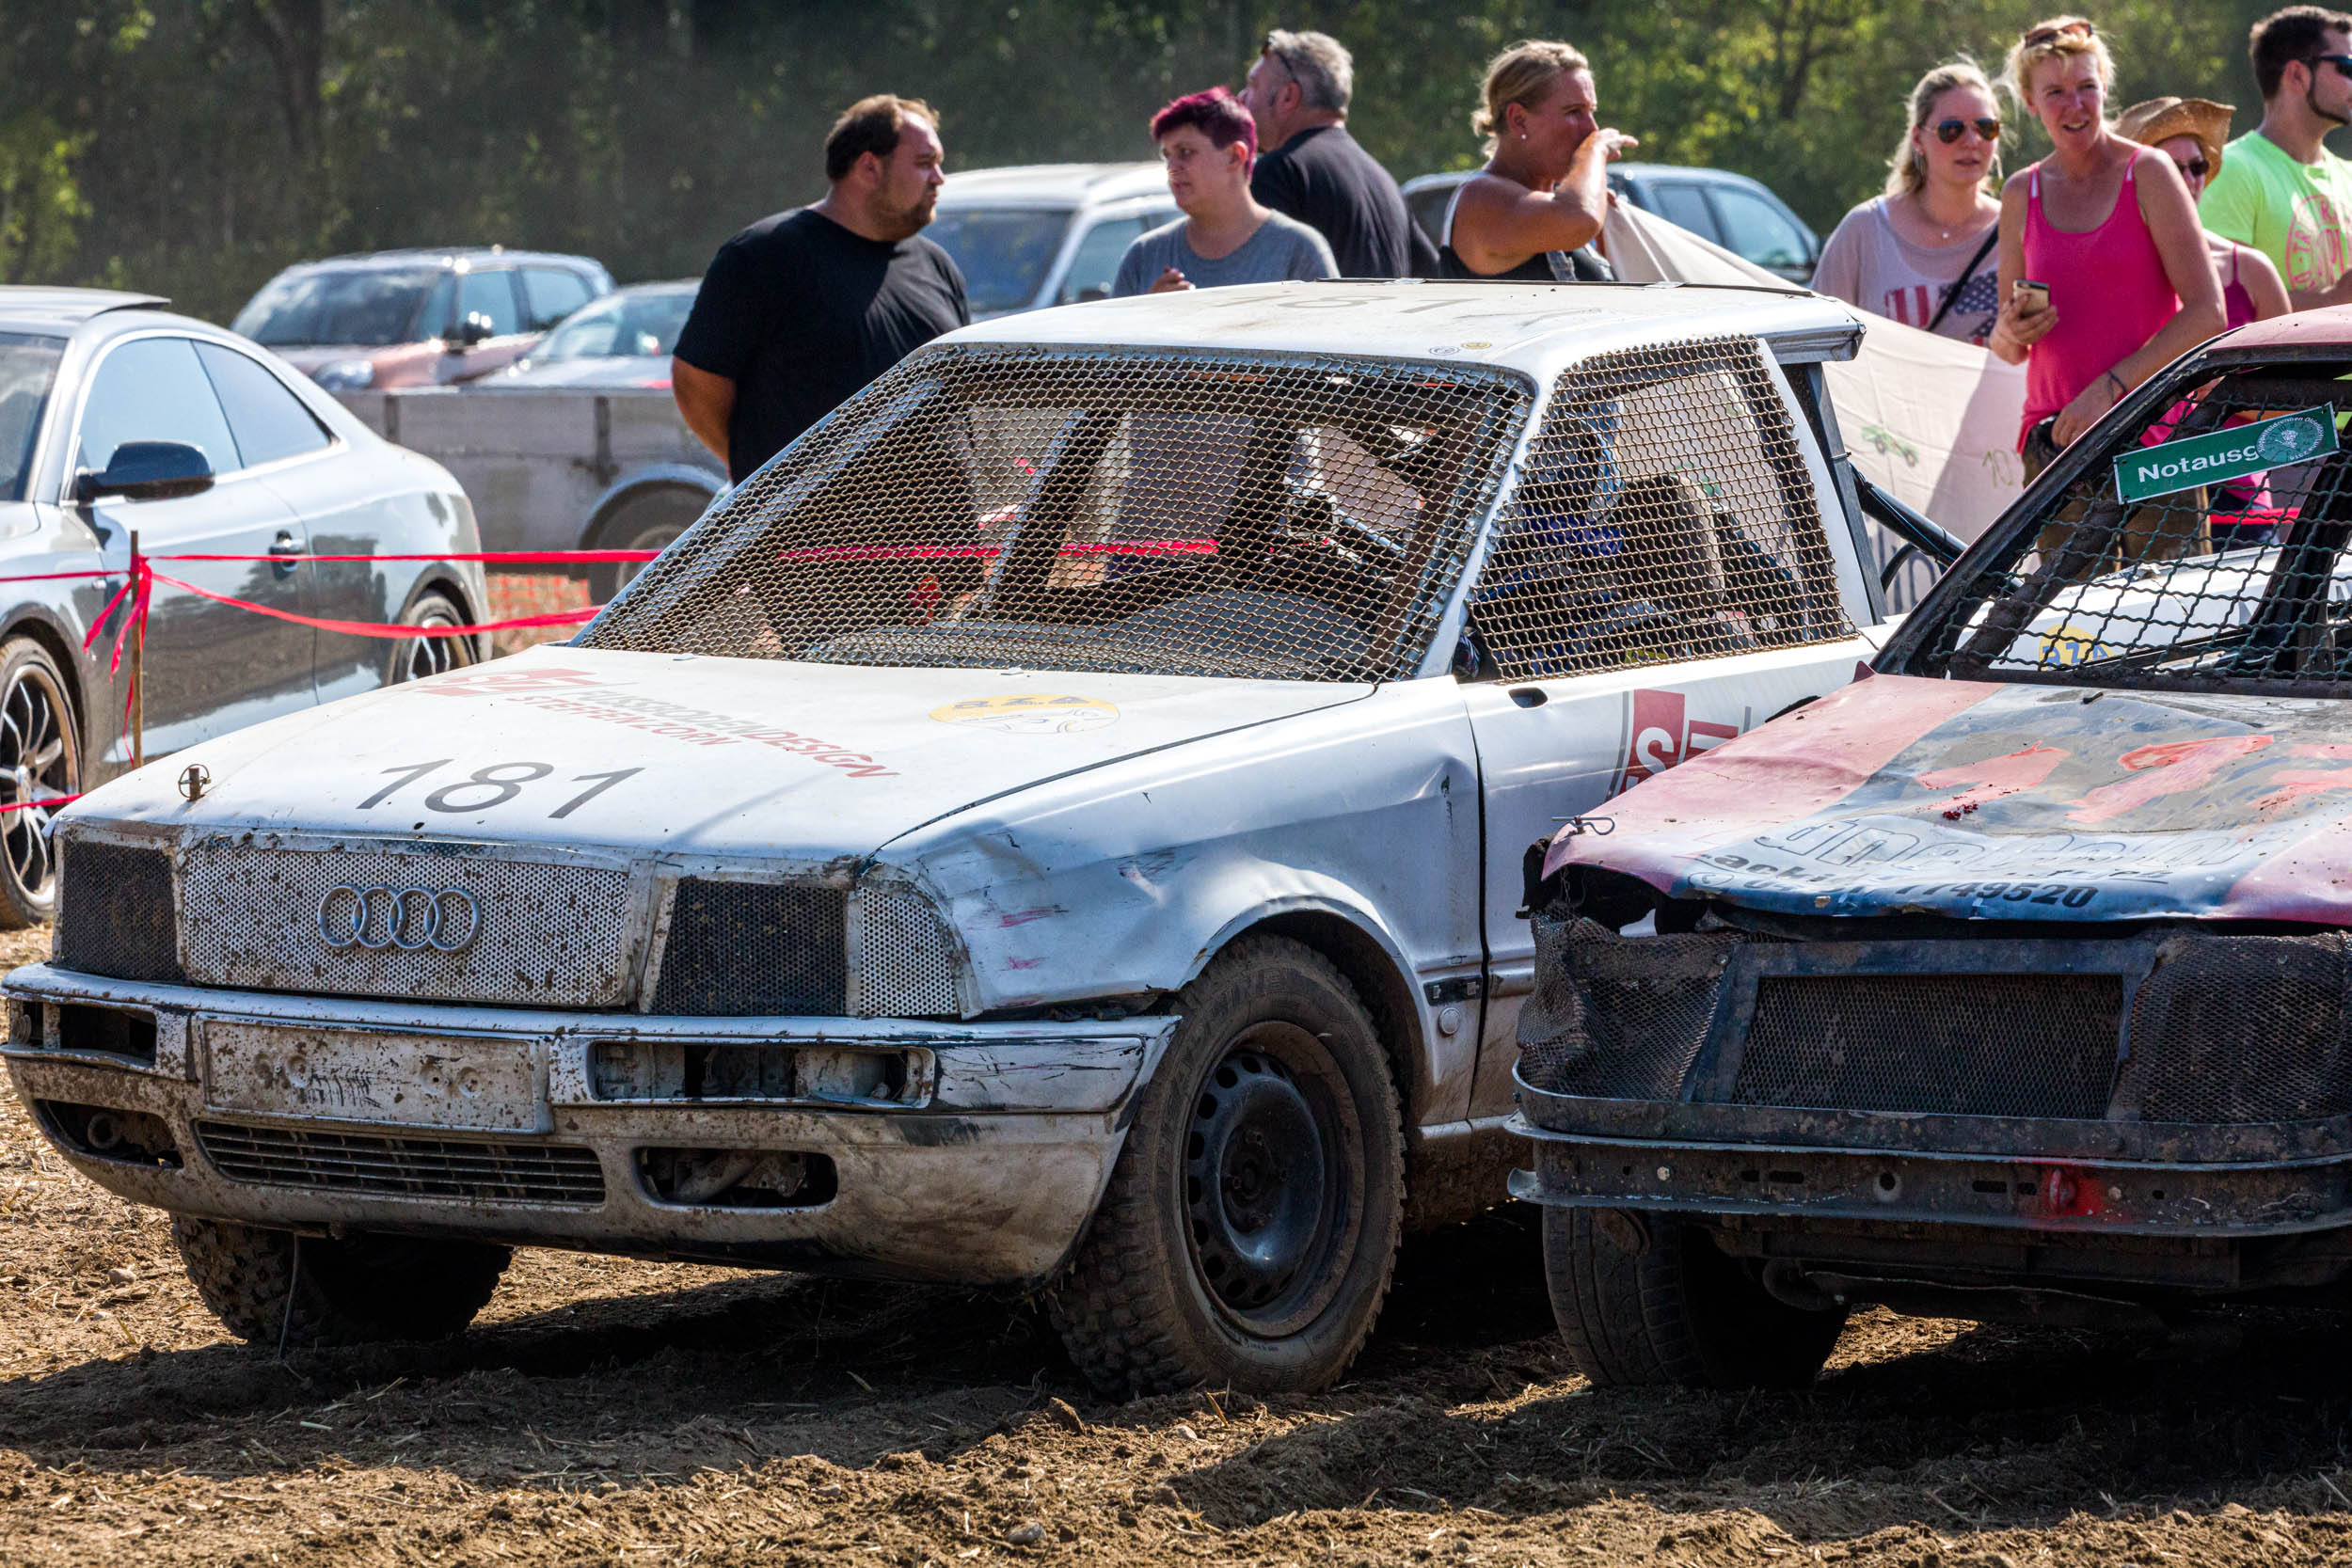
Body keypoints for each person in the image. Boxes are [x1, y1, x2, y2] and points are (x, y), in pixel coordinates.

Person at [672, 95, 968, 484]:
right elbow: (696, 380)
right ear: (869, 167)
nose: (939, 178)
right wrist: (764, 473)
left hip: (937, 520)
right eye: (924, 163)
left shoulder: (937, 266)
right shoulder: (766, 254)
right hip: (812, 522)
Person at [1989, 17, 2224, 466]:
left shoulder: (2149, 172)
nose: (2074, 105)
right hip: (2054, 439)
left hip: (2152, 436)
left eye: (2087, 87)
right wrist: (2007, 331)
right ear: (2030, 101)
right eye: (2055, 92)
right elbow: (2010, 348)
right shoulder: (2021, 191)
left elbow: (2208, 314)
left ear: (2105, 87)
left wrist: (2110, 390)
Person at [1812, 60, 2006, 342]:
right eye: (1952, 129)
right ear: (1918, 138)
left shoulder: (2017, 229)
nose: (1971, 140)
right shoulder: (1865, 229)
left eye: (1986, 127)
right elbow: (1815, 343)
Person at [1238, 29, 1435, 278]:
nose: (1241, 98)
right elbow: (1433, 275)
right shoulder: (1384, 180)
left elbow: (1251, 284)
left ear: (1288, 97)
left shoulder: (1279, 171)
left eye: (1253, 85)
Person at [2197, 6, 2352, 310]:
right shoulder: (2231, 170)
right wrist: (2333, 300)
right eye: (2347, 67)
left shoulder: (2348, 175)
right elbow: (2225, 304)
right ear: (2297, 75)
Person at [1439, 40, 1634, 282]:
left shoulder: (1553, 203)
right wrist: (1595, 150)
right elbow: (1579, 220)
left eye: (1591, 111)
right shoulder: (1479, 199)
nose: (1592, 129)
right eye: (1574, 112)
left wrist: (1604, 228)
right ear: (1519, 120)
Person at [1112, 88, 1337, 297]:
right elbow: (1112, 330)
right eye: (1167, 155)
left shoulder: (1299, 250)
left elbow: (1331, 327)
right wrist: (1148, 315)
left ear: (1235, 156)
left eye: (1185, 152)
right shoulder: (1144, 256)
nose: (1172, 168)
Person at [2118, 96, 2290, 325]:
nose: (2189, 180)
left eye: (2197, 166)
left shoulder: (2253, 271)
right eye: (2172, 168)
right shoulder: (2110, 270)